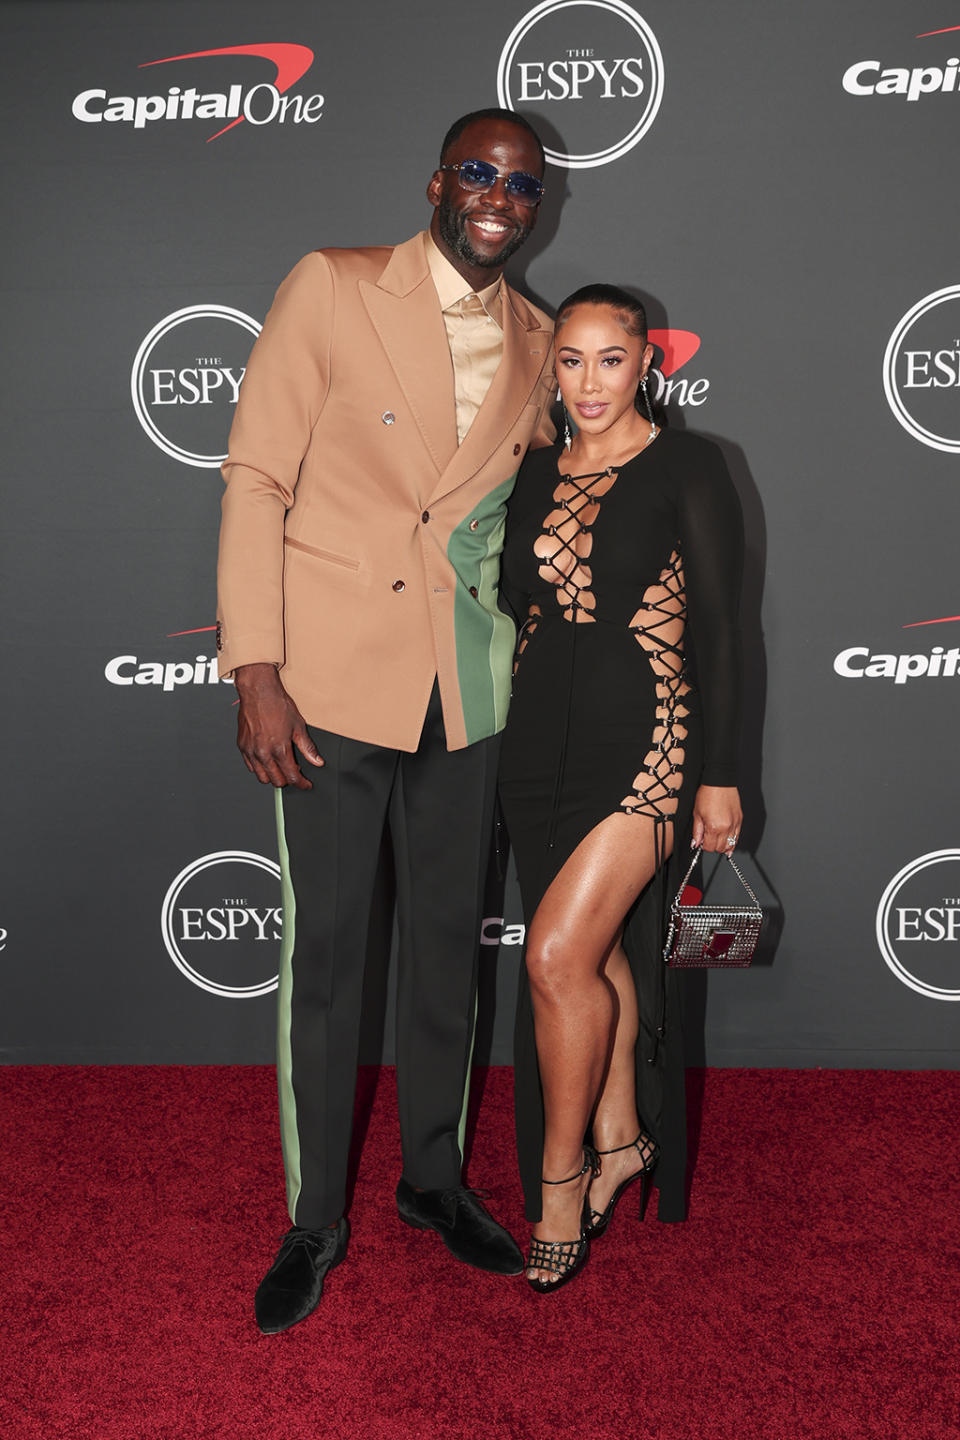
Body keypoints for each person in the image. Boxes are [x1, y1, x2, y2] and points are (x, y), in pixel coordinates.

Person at [216, 108, 556, 1332]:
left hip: (467, 692)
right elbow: (257, 472)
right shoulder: (334, 285)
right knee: (327, 961)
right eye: (478, 171)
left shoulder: (540, 340)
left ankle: (431, 1181)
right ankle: (314, 1222)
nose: (497, 197)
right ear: (436, 180)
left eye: (520, 183)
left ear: (536, 207)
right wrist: (257, 666)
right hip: (330, 685)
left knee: (444, 962)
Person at [498, 284, 744, 1290]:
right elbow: (517, 611)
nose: (588, 382)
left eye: (610, 359)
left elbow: (726, 631)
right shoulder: (531, 473)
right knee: (595, 958)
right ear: (550, 367)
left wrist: (720, 774)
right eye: (570, 360)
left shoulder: (689, 463)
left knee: (556, 960)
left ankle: (563, 1183)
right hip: (537, 741)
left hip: (650, 737)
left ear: (648, 363)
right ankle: (623, 1137)